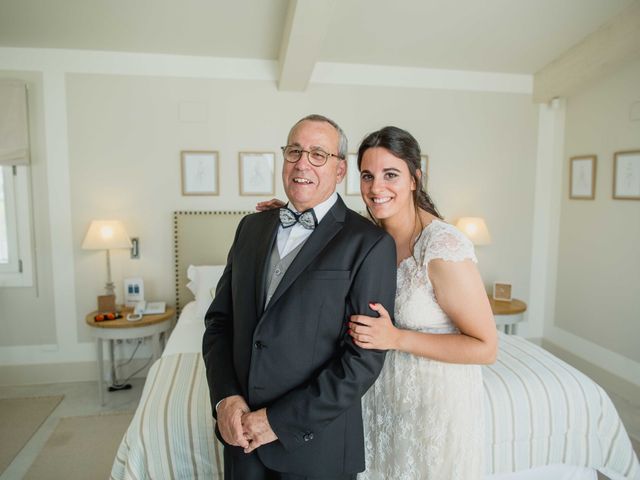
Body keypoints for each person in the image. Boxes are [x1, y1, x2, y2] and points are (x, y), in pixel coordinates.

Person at [258, 126, 497, 479]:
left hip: (433, 409)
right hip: (376, 402)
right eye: (367, 176)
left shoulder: (442, 247)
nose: (376, 188)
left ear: (415, 178)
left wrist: (397, 338)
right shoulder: (368, 237)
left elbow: (486, 347)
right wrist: (290, 221)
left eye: (391, 175)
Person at [203, 114, 397, 480]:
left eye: (318, 154)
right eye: (294, 151)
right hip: (240, 439)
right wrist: (224, 399)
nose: (302, 163)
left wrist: (275, 422)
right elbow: (219, 322)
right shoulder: (250, 227)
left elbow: (362, 360)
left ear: (340, 170)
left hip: (316, 448)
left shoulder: (369, 243)